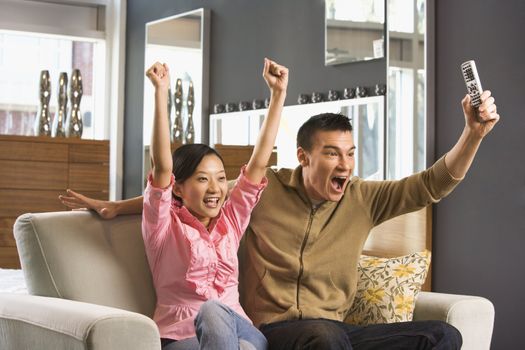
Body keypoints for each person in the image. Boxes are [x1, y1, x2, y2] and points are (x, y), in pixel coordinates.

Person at [61, 83, 500, 348]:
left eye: (349, 153)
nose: (345, 164)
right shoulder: (265, 192)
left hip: (335, 333)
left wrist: (473, 133)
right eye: (332, 153)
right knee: (322, 338)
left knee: (443, 337)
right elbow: (189, 194)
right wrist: (118, 206)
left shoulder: (364, 198)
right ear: (303, 157)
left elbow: (432, 184)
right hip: (278, 334)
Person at [102, 58, 285, 350]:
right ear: (178, 187)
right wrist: (160, 92)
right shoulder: (162, 228)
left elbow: (259, 163)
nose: (215, 189)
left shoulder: (231, 222)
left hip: (238, 327)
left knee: (230, 326)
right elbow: (162, 167)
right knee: (220, 324)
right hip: (179, 337)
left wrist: (278, 95)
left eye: (221, 178)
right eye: (202, 179)